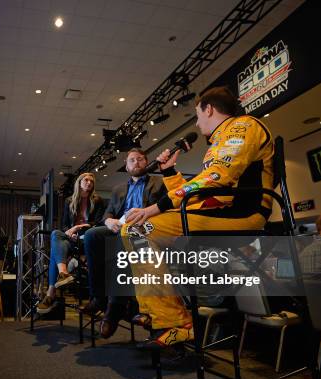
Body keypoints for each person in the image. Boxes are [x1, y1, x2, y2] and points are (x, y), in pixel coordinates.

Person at [118, 86, 275, 347]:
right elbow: (201, 189)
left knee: (137, 230)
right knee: (135, 231)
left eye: (197, 114)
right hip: (216, 210)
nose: (198, 121)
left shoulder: (243, 126)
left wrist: (156, 208)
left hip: (241, 214)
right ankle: (160, 312)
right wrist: (169, 173)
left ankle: (174, 321)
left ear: (209, 109)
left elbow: (216, 177)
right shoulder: (219, 140)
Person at [81, 149, 167, 337]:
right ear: (126, 166)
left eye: (140, 159)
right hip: (119, 226)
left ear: (146, 162)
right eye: (131, 160)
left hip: (145, 229)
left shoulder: (159, 183)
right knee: (92, 235)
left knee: (125, 234)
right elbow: (108, 213)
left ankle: (115, 305)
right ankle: (99, 296)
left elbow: (165, 209)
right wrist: (108, 221)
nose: (136, 162)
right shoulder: (118, 189)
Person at [37, 173, 104, 314]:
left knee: (55, 255)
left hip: (87, 239)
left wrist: (77, 229)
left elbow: (98, 223)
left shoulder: (98, 201)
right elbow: (64, 225)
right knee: (56, 233)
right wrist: (70, 232)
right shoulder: (69, 201)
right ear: (79, 183)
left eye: (91, 181)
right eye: (86, 180)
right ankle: (63, 273)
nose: (89, 183)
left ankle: (51, 293)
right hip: (72, 239)